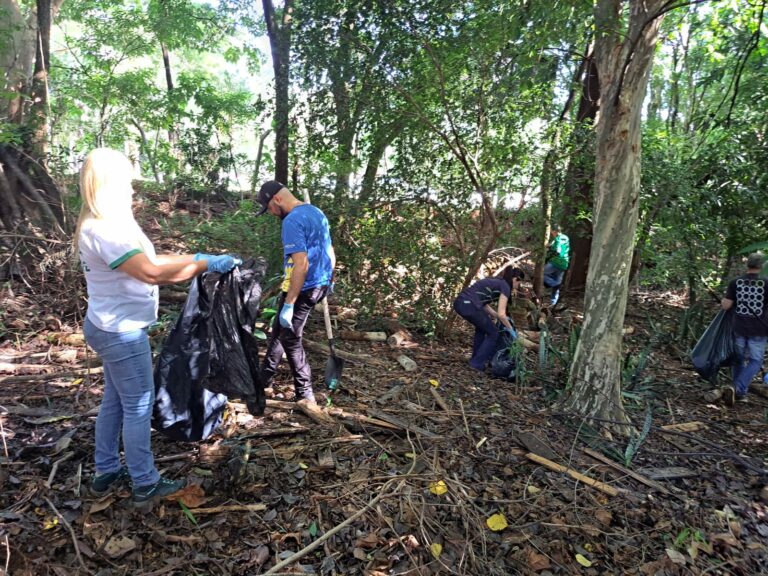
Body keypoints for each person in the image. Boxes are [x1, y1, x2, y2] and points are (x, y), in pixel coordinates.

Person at [75, 148, 239, 509]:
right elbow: (149, 273)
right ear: (109, 184)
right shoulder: (105, 229)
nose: (133, 191)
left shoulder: (109, 223)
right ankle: (145, 483)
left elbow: (152, 262)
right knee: (137, 405)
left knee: (116, 400)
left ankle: (105, 472)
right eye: (128, 184)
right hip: (120, 331)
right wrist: (201, 264)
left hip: (107, 324)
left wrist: (196, 259)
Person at [257, 180, 335, 405]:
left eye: (269, 207)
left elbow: (301, 265)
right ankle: (263, 380)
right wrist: (328, 281)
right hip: (318, 284)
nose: (271, 213)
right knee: (279, 331)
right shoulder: (315, 212)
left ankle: (305, 394)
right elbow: (330, 252)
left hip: (304, 287)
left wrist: (290, 303)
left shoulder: (291, 221)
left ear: (277, 199)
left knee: (290, 338)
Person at [453, 267, 523, 372]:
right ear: (515, 279)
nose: (517, 287)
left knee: (482, 329)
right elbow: (502, 314)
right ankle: (476, 363)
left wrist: (494, 314)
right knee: (493, 333)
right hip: (469, 305)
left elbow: (484, 304)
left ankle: (475, 359)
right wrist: (511, 330)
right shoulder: (505, 287)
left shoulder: (497, 282)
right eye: (519, 284)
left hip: (461, 302)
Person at [721, 252, 768, 405]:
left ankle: (738, 392)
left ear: (747, 265)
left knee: (738, 360)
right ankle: (738, 388)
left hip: (739, 327)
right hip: (759, 329)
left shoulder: (736, 282)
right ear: (760, 266)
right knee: (755, 361)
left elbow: (726, 306)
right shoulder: (766, 283)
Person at [543, 225, 570, 306]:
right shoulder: (565, 237)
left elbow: (558, 249)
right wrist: (550, 246)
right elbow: (554, 245)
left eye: (551, 231)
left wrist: (550, 249)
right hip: (564, 264)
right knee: (556, 283)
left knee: (542, 273)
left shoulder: (559, 238)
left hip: (556, 262)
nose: (551, 233)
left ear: (554, 231)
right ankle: (553, 303)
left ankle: (555, 284)